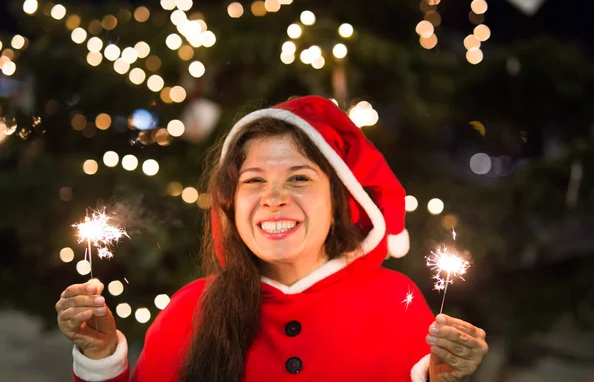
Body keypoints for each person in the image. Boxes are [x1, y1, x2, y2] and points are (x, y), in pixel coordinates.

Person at [56, 96, 489, 382]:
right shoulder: (190, 310)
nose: (273, 199)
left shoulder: (399, 303)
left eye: (298, 178)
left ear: (340, 199)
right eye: (254, 180)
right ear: (230, 202)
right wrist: (101, 357)